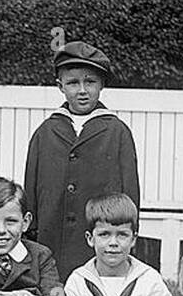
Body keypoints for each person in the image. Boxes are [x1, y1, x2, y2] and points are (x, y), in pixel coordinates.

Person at [24, 42, 141, 280]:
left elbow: (130, 190)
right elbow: (32, 185)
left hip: (99, 239)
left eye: (90, 82)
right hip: (53, 238)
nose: (82, 90)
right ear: (60, 86)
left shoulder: (117, 131)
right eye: (73, 83)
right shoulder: (46, 131)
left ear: (102, 85)